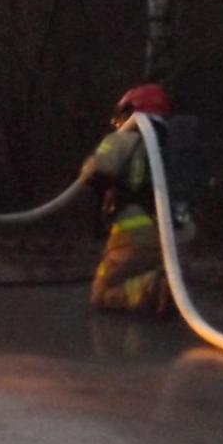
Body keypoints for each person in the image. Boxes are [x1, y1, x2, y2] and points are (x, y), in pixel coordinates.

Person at [82, 83, 173, 315]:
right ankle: (163, 283)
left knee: (102, 294)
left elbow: (94, 173)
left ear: (129, 112)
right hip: (175, 238)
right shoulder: (175, 144)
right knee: (148, 268)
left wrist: (92, 163)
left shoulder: (122, 140)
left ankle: (152, 288)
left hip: (135, 233)